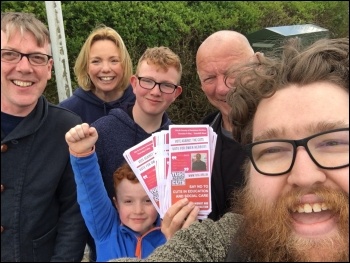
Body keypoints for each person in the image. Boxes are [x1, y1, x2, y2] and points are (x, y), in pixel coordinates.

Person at [109, 37, 349, 262]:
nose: (222, 88)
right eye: (273, 150)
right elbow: (201, 243)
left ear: (257, 61)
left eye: (333, 143)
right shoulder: (194, 140)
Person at [1, 12, 87, 261]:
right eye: (10, 54)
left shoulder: (67, 128)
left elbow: (73, 215)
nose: (25, 67)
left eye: (37, 57)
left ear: (49, 68)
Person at [65, 123, 199, 261]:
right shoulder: (106, 228)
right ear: (116, 204)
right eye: (128, 201)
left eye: (148, 200)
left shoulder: (171, 233)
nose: (138, 210)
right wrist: (82, 155)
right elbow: (90, 188)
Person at [92, 46, 183, 206]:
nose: (155, 92)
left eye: (167, 85)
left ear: (176, 93)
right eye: (147, 81)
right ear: (134, 83)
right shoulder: (100, 133)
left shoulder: (181, 144)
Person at [196, 30, 257, 220]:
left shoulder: (286, 132)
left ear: (257, 65)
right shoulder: (199, 138)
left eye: (233, 72)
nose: (222, 88)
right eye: (209, 78)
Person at [59, 25, 135, 124]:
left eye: (114, 61)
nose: (105, 69)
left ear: (125, 65)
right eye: (96, 61)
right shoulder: (66, 113)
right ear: (86, 67)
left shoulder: (142, 105)